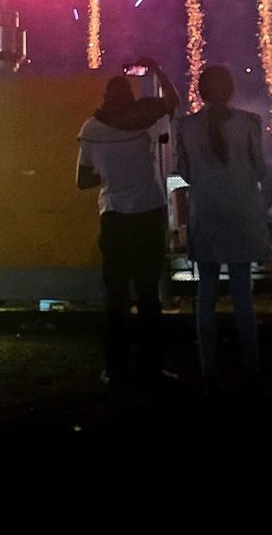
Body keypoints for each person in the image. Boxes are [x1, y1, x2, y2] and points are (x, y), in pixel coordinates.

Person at [76, 57, 179, 393]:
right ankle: (152, 368)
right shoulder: (144, 122)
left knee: (116, 298)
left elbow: (82, 181)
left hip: (115, 217)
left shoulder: (90, 129)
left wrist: (108, 173)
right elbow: (172, 102)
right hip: (149, 213)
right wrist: (156, 68)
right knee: (149, 296)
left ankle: (116, 370)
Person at [175, 66, 270, 389]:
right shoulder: (248, 123)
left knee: (206, 292)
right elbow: (259, 168)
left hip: (207, 212)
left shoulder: (186, 126)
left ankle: (208, 366)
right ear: (231, 89)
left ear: (200, 91)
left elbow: (183, 171)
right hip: (241, 212)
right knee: (242, 291)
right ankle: (252, 364)